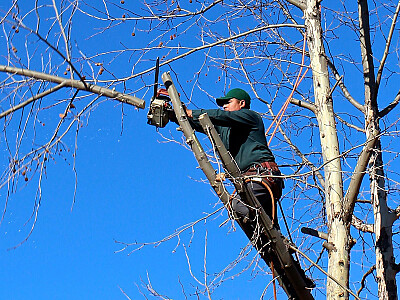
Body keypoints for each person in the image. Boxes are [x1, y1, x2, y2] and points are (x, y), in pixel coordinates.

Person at [183, 88, 284, 225]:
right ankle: (277, 243)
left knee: (238, 206)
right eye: (223, 104)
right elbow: (202, 123)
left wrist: (192, 112)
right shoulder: (224, 128)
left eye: (228, 102)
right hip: (249, 181)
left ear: (241, 103)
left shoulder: (250, 116)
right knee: (265, 234)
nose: (224, 106)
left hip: (262, 175)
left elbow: (221, 116)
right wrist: (176, 114)